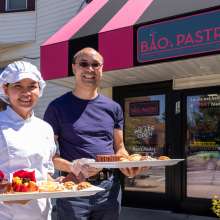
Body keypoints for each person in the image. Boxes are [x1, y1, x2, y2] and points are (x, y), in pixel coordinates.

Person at [44, 47, 145, 220]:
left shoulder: (113, 108)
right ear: (74, 68)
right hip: (73, 188)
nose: (90, 69)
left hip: (109, 189)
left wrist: (128, 165)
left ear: (102, 69)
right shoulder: (57, 108)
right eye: (84, 64)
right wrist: (73, 167)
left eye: (95, 64)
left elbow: (119, 148)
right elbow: (48, 156)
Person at [0, 61, 57, 220]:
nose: (26, 93)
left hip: (42, 213)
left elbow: (45, 175)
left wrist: (72, 178)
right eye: (18, 86)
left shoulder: (45, 128)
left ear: (40, 89)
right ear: (6, 89)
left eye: (32, 86)